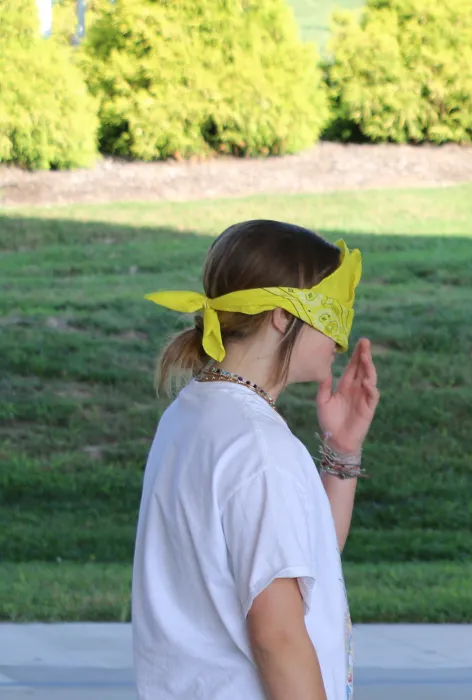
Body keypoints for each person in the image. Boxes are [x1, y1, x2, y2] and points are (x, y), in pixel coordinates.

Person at [131, 220, 381, 700]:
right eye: (333, 308)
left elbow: (302, 557)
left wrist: (342, 453)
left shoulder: (192, 415)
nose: (342, 334)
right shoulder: (260, 448)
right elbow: (278, 636)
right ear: (283, 317)